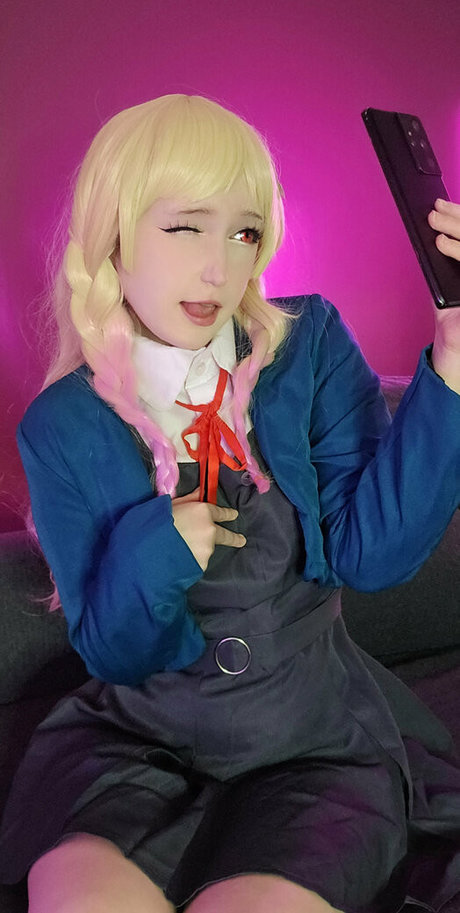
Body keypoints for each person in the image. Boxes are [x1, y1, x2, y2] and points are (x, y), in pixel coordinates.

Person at [1, 95, 460, 913]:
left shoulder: (308, 346)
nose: (220, 268)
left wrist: (454, 364)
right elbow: (113, 649)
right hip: (134, 747)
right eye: (185, 227)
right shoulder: (60, 425)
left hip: (314, 743)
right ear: (114, 234)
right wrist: (157, 546)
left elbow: (375, 555)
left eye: (244, 232)